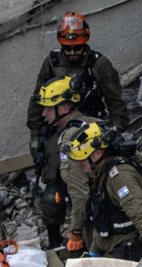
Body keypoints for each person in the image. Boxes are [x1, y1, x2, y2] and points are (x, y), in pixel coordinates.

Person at [27, 12, 127, 167]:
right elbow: (38, 98)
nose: (72, 52)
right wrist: (35, 136)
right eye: (67, 48)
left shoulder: (99, 65)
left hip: (91, 126)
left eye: (77, 47)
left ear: (85, 41)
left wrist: (115, 132)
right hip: (57, 127)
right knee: (52, 167)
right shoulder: (52, 63)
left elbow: (115, 102)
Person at [63, 123, 142, 260]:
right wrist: (94, 252)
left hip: (127, 255)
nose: (80, 164)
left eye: (82, 160)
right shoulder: (101, 174)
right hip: (111, 251)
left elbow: (141, 217)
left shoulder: (119, 177)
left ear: (97, 153)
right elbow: (103, 217)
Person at [32, 75, 105, 252]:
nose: (43, 114)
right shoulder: (95, 124)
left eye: (48, 109)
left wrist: (75, 232)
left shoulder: (71, 139)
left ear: (64, 107)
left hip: (100, 220)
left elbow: (80, 194)